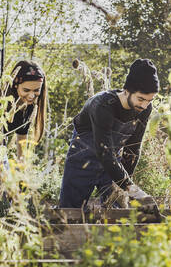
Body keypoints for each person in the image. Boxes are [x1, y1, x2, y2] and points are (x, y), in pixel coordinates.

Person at [59, 58, 159, 209]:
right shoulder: (102, 105)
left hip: (114, 165)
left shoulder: (144, 109)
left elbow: (133, 148)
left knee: (117, 216)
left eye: (149, 100)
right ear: (128, 90)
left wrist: (125, 185)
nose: (144, 105)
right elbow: (104, 152)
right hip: (82, 161)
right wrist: (134, 190)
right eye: (141, 99)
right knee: (71, 213)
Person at [0, 60, 47, 206]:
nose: (32, 96)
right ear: (15, 85)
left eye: (36, 91)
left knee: (10, 197)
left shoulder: (29, 107)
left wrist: (22, 177)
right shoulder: (0, 104)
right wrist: (8, 184)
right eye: (26, 90)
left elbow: (21, 141)